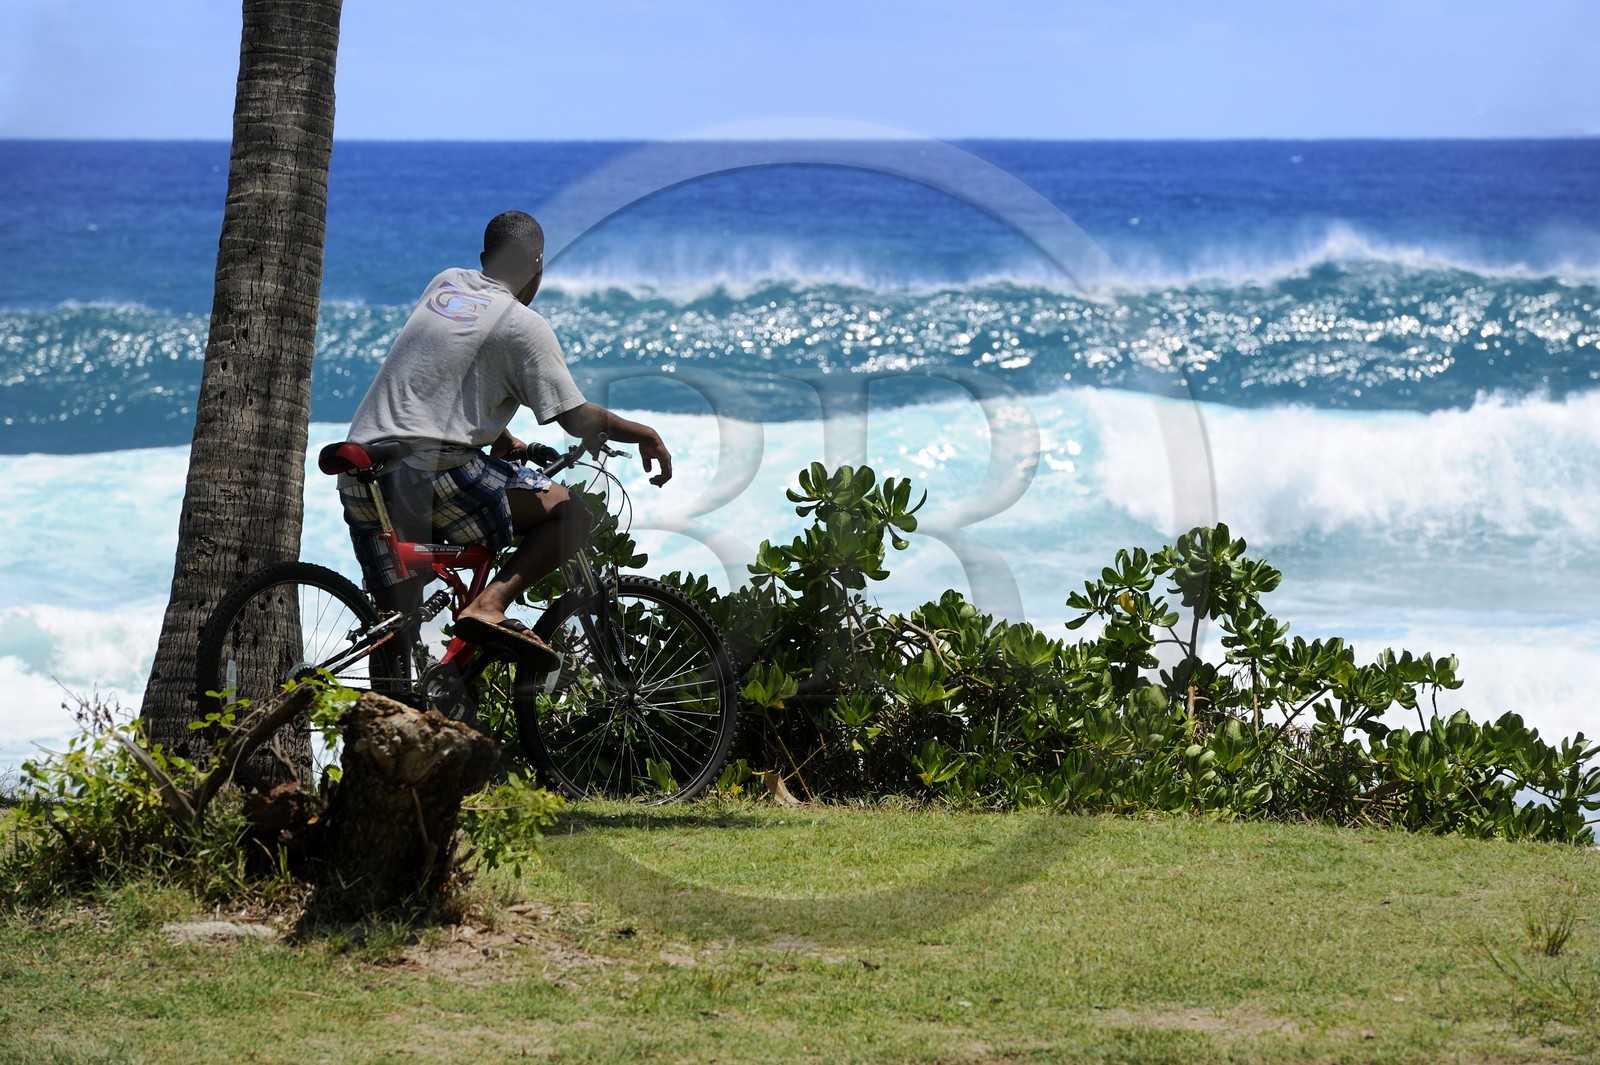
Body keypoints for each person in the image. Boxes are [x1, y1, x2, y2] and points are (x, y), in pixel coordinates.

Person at [338, 210, 672, 665]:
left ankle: (397, 699)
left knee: (396, 628)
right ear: (538, 264)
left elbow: (446, 370)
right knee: (572, 514)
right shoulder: (523, 326)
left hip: (363, 474)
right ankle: (490, 604)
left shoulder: (445, 284)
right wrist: (644, 433)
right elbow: (576, 418)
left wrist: (501, 437)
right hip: (429, 474)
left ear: (483, 259)